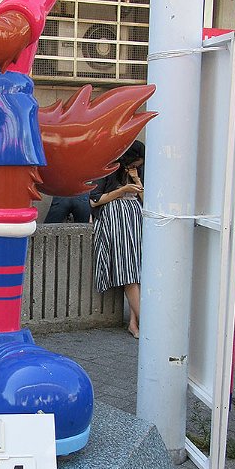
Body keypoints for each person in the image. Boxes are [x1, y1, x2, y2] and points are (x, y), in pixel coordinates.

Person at [90, 141, 145, 338]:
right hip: (117, 220)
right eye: (135, 163)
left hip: (135, 220)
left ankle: (133, 323)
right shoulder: (108, 170)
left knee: (137, 271)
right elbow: (94, 200)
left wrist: (137, 180)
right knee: (128, 271)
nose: (136, 166)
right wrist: (122, 190)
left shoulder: (137, 173)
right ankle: (148, 325)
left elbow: (147, 202)